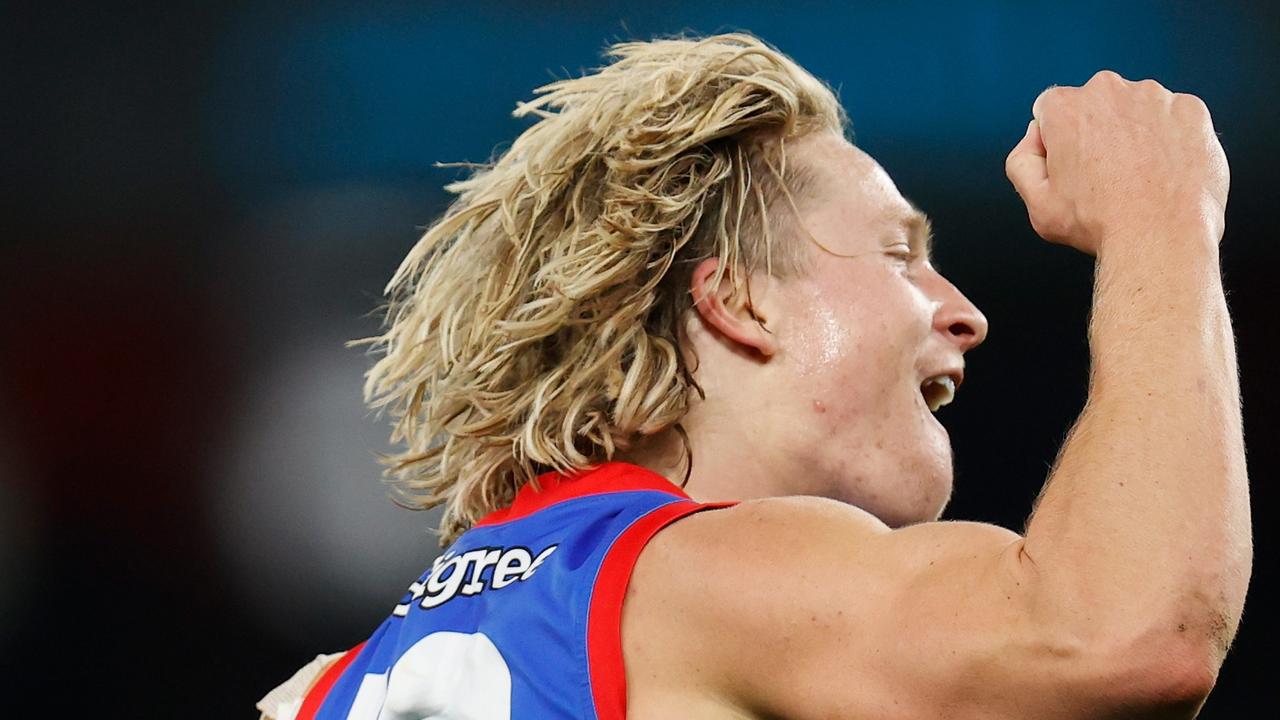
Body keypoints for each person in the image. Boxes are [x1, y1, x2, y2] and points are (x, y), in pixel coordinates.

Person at [258, 33, 1250, 720]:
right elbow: (1119, 638)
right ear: (736, 302)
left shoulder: (331, 687)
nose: (963, 310)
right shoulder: (698, 577)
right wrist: (1159, 218)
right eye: (899, 255)